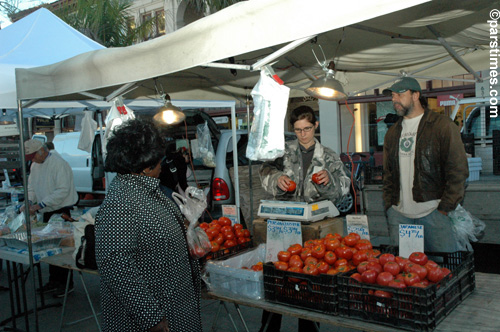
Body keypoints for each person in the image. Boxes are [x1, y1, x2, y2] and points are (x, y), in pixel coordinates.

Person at [95, 118, 202, 332]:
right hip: (153, 318)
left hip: (175, 306)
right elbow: (116, 266)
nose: (162, 165)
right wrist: (152, 318)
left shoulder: (146, 190)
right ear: (145, 165)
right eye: (159, 159)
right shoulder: (121, 203)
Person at [258, 105, 350, 332]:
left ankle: (308, 329)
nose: (303, 134)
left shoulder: (328, 156)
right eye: (298, 130)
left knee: (309, 283)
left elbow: (344, 188)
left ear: (315, 125)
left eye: (307, 128)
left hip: (313, 232)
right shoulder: (283, 152)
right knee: (277, 279)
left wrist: (329, 179)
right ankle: (269, 328)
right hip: (284, 227)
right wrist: (277, 179)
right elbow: (265, 171)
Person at [382, 77, 469, 252]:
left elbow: (458, 171)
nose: (394, 99)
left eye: (399, 94)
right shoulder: (392, 132)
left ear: (416, 95)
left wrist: (444, 208)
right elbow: (388, 174)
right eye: (392, 95)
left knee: (443, 271)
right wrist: (389, 207)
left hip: (434, 213)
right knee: (407, 273)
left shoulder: (442, 126)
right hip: (399, 216)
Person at [22, 139, 79, 297]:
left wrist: (40, 204)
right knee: (50, 249)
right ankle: (54, 280)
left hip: (61, 210)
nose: (32, 160)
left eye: (34, 156)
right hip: (47, 210)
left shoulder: (59, 163)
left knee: (61, 249)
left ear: (42, 151)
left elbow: (62, 190)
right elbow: (31, 187)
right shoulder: (35, 165)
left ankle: (66, 284)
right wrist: (29, 202)